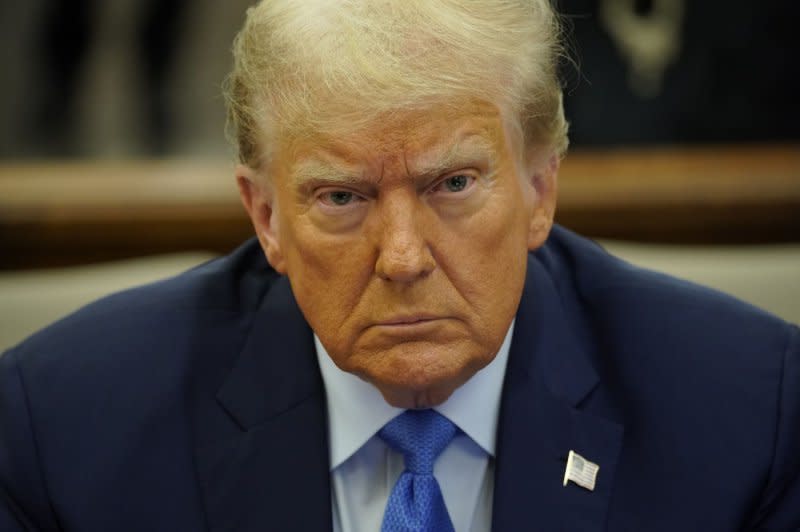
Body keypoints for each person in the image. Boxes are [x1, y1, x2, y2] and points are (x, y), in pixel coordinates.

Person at [1, 1, 797, 530]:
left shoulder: (748, 413)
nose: (404, 258)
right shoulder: (62, 431)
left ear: (539, 188)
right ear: (265, 216)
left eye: (452, 185)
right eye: (342, 197)